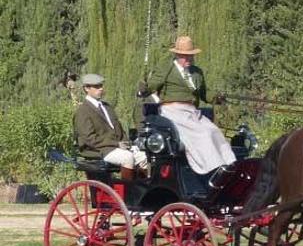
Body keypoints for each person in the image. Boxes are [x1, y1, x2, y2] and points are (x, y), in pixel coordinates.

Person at [140, 35, 236, 187]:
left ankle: (228, 164)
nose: (188, 59)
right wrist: (144, 89)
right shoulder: (166, 68)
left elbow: (204, 93)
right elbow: (152, 85)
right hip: (173, 110)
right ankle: (211, 168)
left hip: (192, 112)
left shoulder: (197, 72)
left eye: (190, 56)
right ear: (177, 55)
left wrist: (216, 98)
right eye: (185, 56)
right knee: (202, 134)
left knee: (214, 131)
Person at [74, 73, 148, 180]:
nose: (101, 88)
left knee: (143, 157)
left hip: (114, 147)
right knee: (127, 158)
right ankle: (128, 191)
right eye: (97, 86)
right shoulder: (83, 111)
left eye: (101, 85)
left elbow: (119, 129)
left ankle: (142, 190)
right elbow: (89, 139)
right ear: (86, 88)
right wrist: (116, 144)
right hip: (98, 150)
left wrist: (127, 144)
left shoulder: (107, 107)